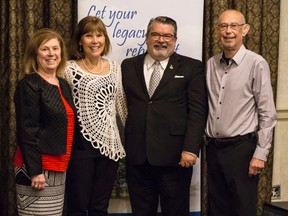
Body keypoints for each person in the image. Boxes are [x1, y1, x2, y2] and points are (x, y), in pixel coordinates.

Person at [121, 16, 208, 216]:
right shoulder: (128, 66)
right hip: (138, 157)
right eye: (156, 34)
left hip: (176, 158)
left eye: (167, 35)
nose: (162, 40)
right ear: (147, 37)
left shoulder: (191, 67)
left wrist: (191, 149)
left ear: (175, 40)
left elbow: (197, 111)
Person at [205, 9, 277, 216]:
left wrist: (260, 155)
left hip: (242, 150)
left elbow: (267, 113)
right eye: (223, 26)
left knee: (242, 208)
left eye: (234, 26)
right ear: (218, 30)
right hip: (214, 149)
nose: (228, 31)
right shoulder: (211, 64)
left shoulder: (257, 63)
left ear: (245, 30)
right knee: (217, 209)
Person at [64, 16, 127, 215]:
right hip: (80, 147)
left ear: (105, 40)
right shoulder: (68, 69)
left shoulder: (115, 67)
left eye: (99, 35)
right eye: (88, 35)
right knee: (78, 206)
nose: (95, 40)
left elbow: (121, 107)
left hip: (109, 146)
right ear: (80, 40)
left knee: (100, 207)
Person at [13, 28, 76, 216]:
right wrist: (35, 171)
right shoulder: (29, 84)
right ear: (35, 53)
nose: (51, 54)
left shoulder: (63, 84)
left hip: (59, 167)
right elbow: (27, 131)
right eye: (45, 49)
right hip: (38, 168)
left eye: (55, 48)